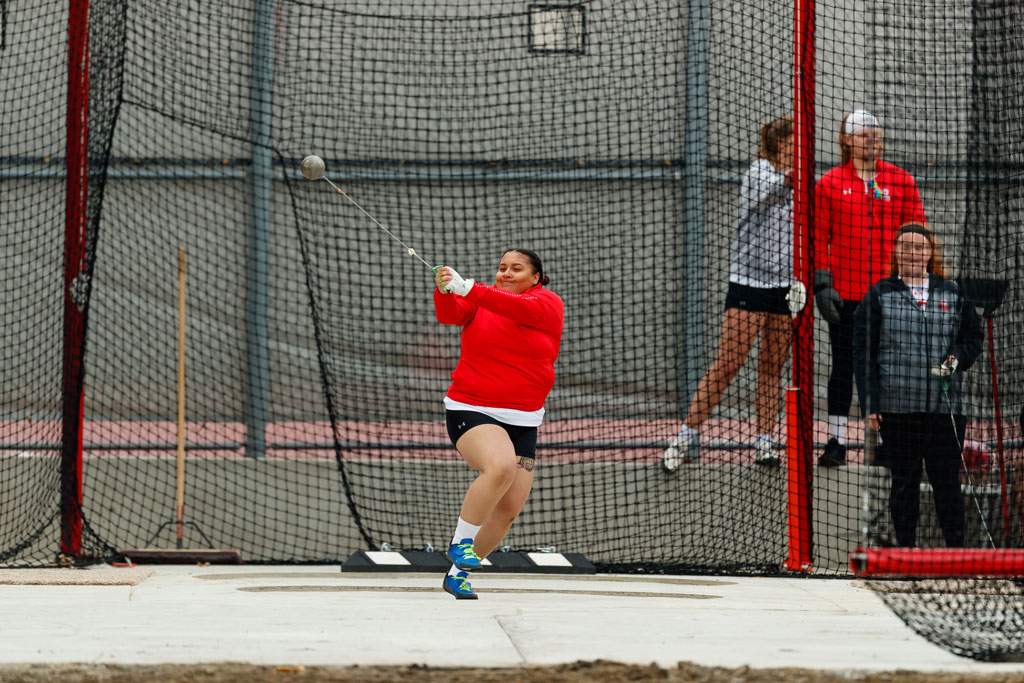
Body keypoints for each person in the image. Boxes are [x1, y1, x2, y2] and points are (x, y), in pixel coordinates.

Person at [662, 115, 804, 471]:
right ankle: (686, 435)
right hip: (749, 284)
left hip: (785, 287)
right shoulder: (760, 172)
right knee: (728, 363)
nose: (799, 148)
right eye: (793, 141)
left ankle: (765, 441)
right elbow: (779, 187)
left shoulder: (802, 181)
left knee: (772, 367)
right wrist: (802, 176)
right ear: (780, 144)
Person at [432, 249, 564, 599]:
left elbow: (513, 307)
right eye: (502, 267)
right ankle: (461, 543)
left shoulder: (547, 303)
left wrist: (470, 287)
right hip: (472, 409)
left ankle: (457, 574)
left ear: (535, 278)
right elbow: (450, 316)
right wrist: (445, 291)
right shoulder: (482, 300)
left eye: (516, 269)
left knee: (507, 510)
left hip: (523, 419)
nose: (506, 273)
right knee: (500, 465)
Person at [853, 224, 983, 547]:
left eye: (919, 247)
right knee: (904, 482)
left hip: (946, 409)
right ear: (896, 252)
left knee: (947, 483)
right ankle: (907, 554)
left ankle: (957, 554)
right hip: (898, 408)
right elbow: (862, 351)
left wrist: (954, 360)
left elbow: (973, 337)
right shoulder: (879, 294)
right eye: (906, 247)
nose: (913, 253)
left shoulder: (952, 293)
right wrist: (870, 404)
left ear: (930, 253)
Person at [814, 110, 927, 467]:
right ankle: (836, 440)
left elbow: (916, 230)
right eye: (863, 135)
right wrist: (822, 282)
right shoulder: (830, 183)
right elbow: (819, 236)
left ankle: (883, 441)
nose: (871, 139)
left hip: (889, 294)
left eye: (875, 134)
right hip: (846, 294)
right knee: (844, 365)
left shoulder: (900, 180)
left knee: (888, 366)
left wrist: (915, 281)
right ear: (847, 140)